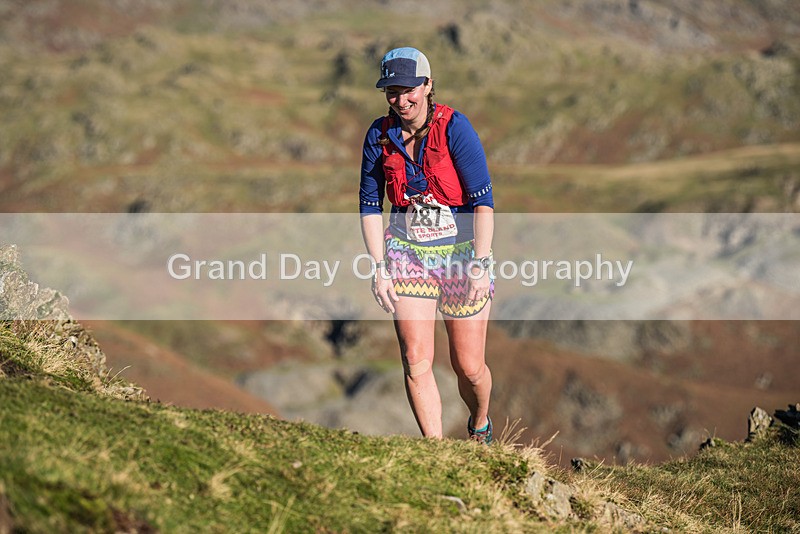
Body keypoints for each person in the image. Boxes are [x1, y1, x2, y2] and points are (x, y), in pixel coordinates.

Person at [359, 47, 496, 444]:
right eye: (391, 92)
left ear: (427, 85)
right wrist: (379, 267)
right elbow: (370, 205)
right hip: (407, 253)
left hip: (463, 252)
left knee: (468, 366)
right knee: (415, 359)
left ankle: (479, 424)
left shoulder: (456, 128)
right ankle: (436, 453)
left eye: (408, 90)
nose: (401, 100)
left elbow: (483, 202)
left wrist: (481, 263)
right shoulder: (378, 135)